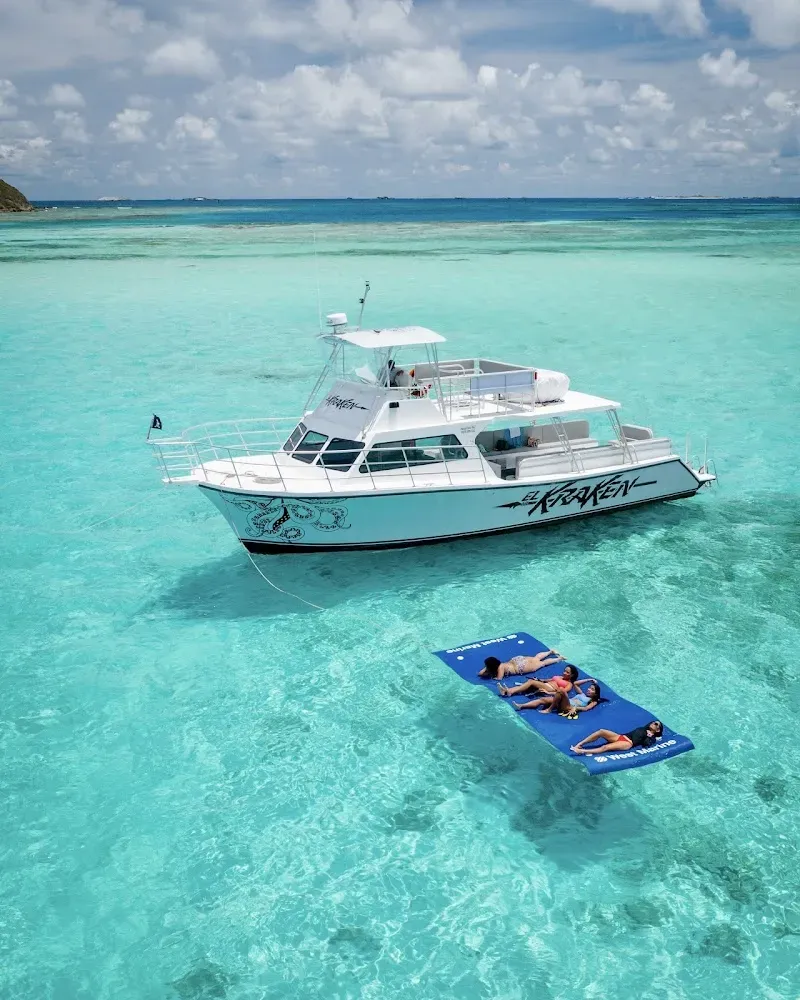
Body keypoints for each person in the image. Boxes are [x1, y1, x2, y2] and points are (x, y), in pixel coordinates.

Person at [570, 720, 664, 756]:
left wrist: (649, 737)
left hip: (628, 743)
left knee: (605, 747)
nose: (653, 723)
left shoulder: (652, 737)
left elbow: (646, 744)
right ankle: (580, 744)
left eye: (656, 724)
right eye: (653, 722)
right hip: (621, 736)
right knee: (602, 731)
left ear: (658, 730)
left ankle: (582, 751)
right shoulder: (643, 728)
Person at [513, 679, 602, 716]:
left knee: (561, 690)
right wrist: (589, 679)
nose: (589, 690)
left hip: (568, 707)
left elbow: (586, 708)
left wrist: (575, 708)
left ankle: (549, 709)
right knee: (543, 700)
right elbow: (575, 683)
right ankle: (521, 706)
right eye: (589, 688)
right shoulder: (582, 694)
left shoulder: (593, 701)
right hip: (564, 702)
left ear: (595, 694)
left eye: (592, 689)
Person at [479, 649, 564, 681]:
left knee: (542, 663)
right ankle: (550, 651)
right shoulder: (500, 665)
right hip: (517, 660)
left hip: (520, 667)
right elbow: (480, 673)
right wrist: (488, 668)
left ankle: (558, 659)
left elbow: (499, 679)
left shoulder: (500, 667)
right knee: (536, 658)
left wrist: (490, 673)